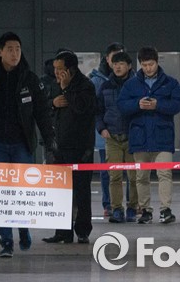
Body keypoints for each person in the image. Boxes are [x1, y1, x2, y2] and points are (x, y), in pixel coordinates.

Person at [0, 31, 57, 258]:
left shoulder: (29, 78)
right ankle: (6, 241)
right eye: (9, 49)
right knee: (1, 194)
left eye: (18, 49)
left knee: (22, 191)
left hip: (21, 144)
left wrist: (50, 139)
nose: (14, 54)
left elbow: (42, 112)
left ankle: (23, 228)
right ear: (0, 52)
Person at [118, 46, 180, 224]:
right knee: (141, 176)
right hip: (139, 137)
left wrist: (158, 105)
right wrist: (137, 104)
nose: (148, 68)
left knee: (165, 174)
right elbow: (121, 105)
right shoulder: (131, 84)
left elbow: (179, 103)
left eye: (151, 64)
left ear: (157, 62)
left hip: (162, 137)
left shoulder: (170, 83)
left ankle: (165, 210)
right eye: (145, 65)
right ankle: (145, 210)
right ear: (140, 64)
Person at [42, 50, 96, 244]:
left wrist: (66, 89)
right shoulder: (53, 85)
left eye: (60, 69)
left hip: (80, 148)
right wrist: (53, 103)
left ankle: (82, 230)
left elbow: (82, 109)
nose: (57, 73)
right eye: (55, 69)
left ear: (71, 70)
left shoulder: (86, 86)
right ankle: (62, 232)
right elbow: (44, 108)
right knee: (61, 191)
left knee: (81, 191)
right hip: (59, 147)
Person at [96, 51, 138, 223]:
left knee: (133, 176)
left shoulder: (137, 85)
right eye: (115, 64)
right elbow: (98, 110)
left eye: (121, 64)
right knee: (114, 176)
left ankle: (132, 208)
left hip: (132, 137)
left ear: (129, 66)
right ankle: (117, 209)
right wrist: (101, 129)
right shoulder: (105, 86)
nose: (118, 67)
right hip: (112, 137)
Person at [89, 42, 125, 217]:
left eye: (121, 58)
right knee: (108, 171)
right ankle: (109, 204)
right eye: (114, 58)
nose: (117, 62)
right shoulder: (97, 80)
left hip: (127, 133)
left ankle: (133, 205)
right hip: (106, 135)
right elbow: (95, 108)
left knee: (132, 171)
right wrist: (101, 129)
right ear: (107, 59)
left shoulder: (132, 79)